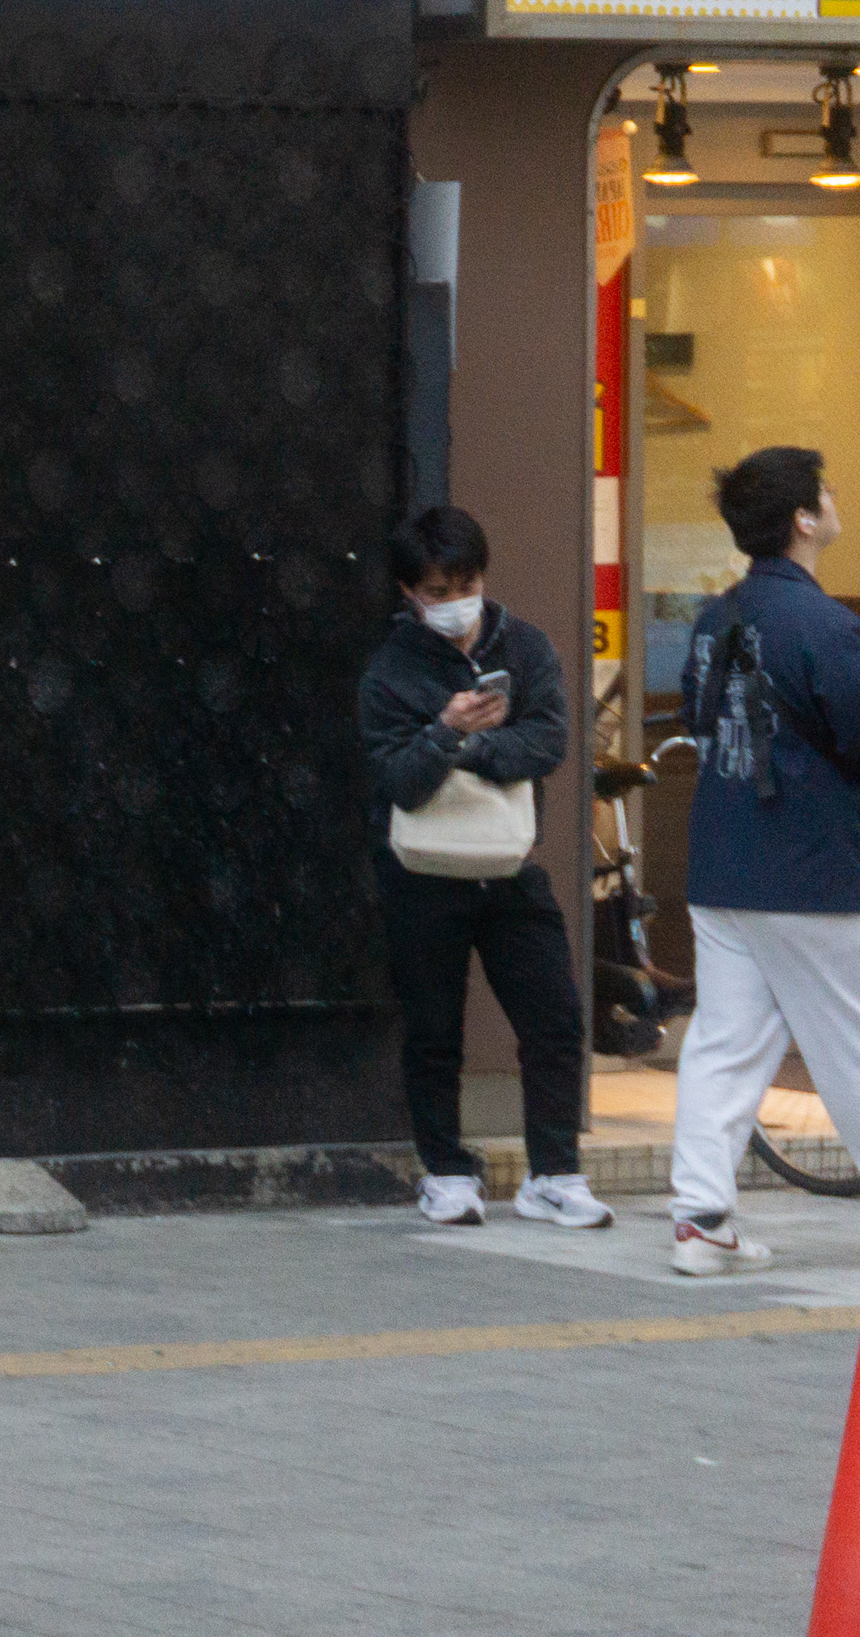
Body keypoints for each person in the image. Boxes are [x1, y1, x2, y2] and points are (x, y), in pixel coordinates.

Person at [356, 505, 606, 1233]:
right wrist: (446, 731)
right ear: (409, 592)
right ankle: (446, 1172)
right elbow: (398, 780)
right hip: (422, 875)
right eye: (437, 591)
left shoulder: (524, 646)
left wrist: (469, 748)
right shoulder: (390, 670)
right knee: (434, 1031)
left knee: (554, 1018)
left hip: (510, 864)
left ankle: (554, 1172)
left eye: (466, 585)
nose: (455, 602)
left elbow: (549, 742)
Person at [667, 446, 860, 1275]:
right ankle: (703, 1221)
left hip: (721, 865)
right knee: (850, 1040)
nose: (835, 498)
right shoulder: (826, 625)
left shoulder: (716, 617)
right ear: (803, 520)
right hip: (809, 869)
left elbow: (697, 717)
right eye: (825, 492)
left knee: (724, 1043)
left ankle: (701, 1220)